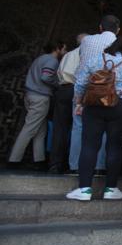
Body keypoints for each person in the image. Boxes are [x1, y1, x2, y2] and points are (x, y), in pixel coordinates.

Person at [66, 36, 122, 201]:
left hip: (94, 106)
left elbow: (80, 83)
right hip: (121, 107)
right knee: (114, 148)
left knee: (89, 146)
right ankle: (111, 189)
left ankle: (84, 189)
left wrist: (79, 103)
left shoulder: (96, 59)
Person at [68, 15, 120, 175]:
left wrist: (77, 99)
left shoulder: (86, 41)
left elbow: (82, 62)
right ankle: (98, 167)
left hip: (84, 89)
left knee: (78, 127)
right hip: (105, 92)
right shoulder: (117, 44)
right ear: (118, 30)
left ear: (100, 27)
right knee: (103, 128)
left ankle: (75, 166)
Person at [8, 40, 67, 170]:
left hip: (30, 95)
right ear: (58, 48)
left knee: (41, 130)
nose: (65, 52)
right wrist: (58, 84)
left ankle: (38, 160)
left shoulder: (40, 58)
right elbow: (45, 77)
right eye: (64, 49)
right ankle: (14, 159)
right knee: (29, 128)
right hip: (40, 97)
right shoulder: (52, 61)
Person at [49, 34, 87, 173]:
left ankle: (55, 164)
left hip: (63, 90)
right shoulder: (85, 55)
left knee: (60, 128)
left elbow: (58, 73)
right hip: (77, 90)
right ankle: (72, 165)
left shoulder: (68, 54)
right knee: (78, 128)